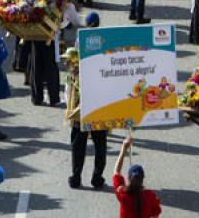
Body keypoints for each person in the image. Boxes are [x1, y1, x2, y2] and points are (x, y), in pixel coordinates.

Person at [65, 16, 108, 190]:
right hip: (100, 100)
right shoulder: (105, 42)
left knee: (78, 141)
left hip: (81, 100)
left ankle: (76, 177)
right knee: (100, 142)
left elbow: (72, 73)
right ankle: (97, 177)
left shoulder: (79, 43)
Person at [113, 136, 161, 217]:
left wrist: (124, 148)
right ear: (142, 179)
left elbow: (117, 172)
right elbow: (156, 213)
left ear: (128, 179)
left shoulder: (123, 194)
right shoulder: (150, 195)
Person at [29, 40, 61, 107]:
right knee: (49, 67)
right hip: (46, 36)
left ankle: (37, 98)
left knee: (37, 65)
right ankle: (53, 98)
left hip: (43, 36)